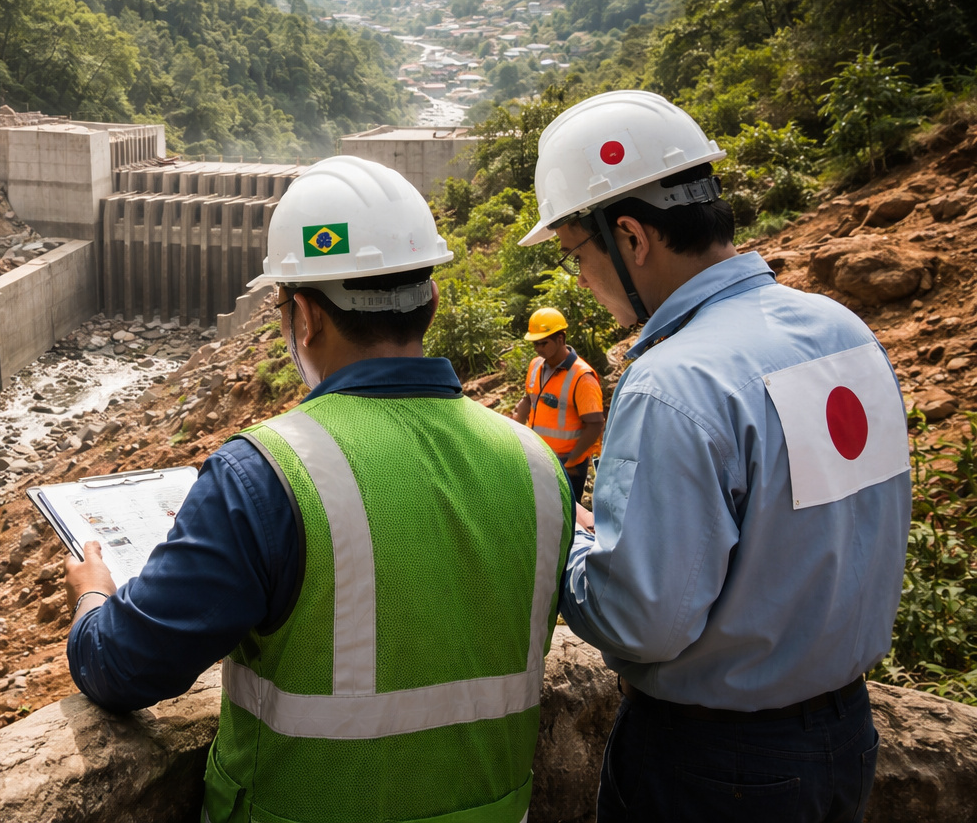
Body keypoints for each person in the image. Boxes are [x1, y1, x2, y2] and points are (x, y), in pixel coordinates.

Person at [67, 155, 574, 823]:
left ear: (304, 317)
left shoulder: (266, 474)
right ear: (432, 299)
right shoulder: (537, 466)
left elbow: (123, 667)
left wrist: (94, 595)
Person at [519, 90, 912, 821]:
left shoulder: (675, 382)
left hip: (717, 766)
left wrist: (565, 542)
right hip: (846, 737)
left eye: (577, 254)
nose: (582, 280)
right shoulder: (842, 331)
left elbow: (643, 621)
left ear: (631, 238)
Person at [511, 307, 604, 503]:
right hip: (538, 454)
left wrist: (572, 461)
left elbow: (595, 424)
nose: (538, 349)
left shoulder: (582, 377)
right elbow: (530, 398)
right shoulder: (536, 365)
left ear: (560, 339)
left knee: (566, 517)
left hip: (567, 463)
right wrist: (517, 426)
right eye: (535, 344)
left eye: (543, 343)